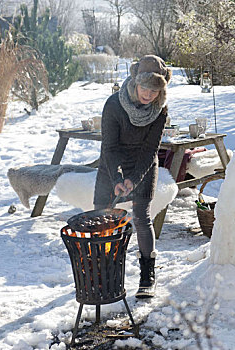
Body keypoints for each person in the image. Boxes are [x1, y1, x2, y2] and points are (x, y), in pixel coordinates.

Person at [94, 55, 171, 298]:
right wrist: (118, 179)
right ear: (135, 82)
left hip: (143, 163)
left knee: (140, 216)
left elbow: (150, 150)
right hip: (112, 161)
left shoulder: (160, 110)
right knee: (101, 214)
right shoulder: (114, 105)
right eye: (145, 88)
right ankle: (105, 272)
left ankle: (147, 273)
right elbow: (109, 147)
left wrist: (133, 179)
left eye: (155, 90)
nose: (148, 94)